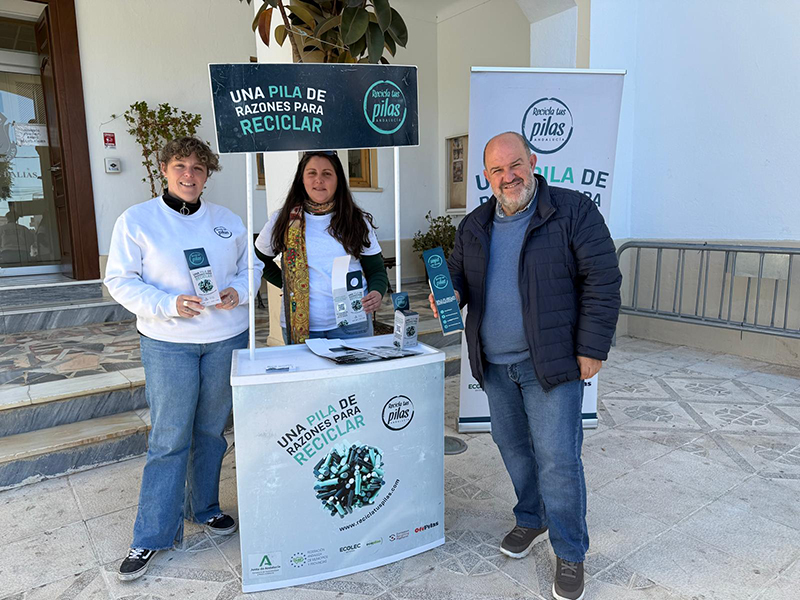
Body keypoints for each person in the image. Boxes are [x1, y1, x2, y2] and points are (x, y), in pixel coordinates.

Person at [429, 132, 621, 600]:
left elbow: (603, 280)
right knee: (513, 446)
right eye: (497, 170)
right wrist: (448, 293)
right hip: (495, 365)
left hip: (550, 364)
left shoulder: (573, 211)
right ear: (487, 176)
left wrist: (592, 347)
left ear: (533, 162)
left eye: (515, 164)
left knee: (558, 459)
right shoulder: (474, 224)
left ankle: (570, 551)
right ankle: (532, 517)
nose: (508, 176)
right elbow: (457, 273)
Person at [105, 137, 263, 581]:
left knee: (211, 432)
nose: (189, 175)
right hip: (168, 341)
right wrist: (168, 304)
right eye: (180, 166)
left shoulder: (227, 221)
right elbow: (120, 280)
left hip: (225, 338)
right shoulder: (137, 220)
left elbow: (250, 268)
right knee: (170, 437)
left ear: (207, 174)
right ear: (164, 169)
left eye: (198, 167)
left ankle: (205, 507)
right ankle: (152, 534)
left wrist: (239, 291)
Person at [255, 150, 388, 343]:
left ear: (338, 180)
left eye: (327, 173)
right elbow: (258, 260)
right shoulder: (283, 220)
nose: (319, 180)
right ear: (302, 179)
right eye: (312, 173)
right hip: (300, 328)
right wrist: (286, 283)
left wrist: (377, 292)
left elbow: (376, 269)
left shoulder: (355, 220)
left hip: (352, 325)